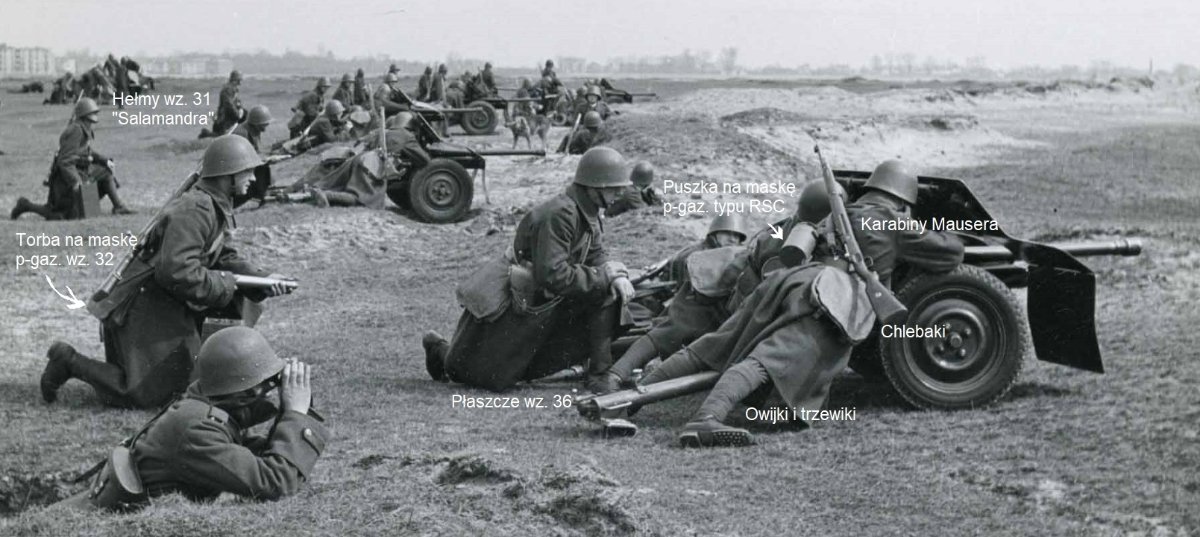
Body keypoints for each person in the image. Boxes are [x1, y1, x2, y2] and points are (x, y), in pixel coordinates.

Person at [639, 161, 966, 447]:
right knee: (770, 358)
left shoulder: (840, 211)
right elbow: (952, 251)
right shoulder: (890, 221)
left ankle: (631, 397)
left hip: (786, 281)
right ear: (903, 200)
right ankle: (706, 420)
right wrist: (917, 226)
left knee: (714, 345)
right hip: (827, 295)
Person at [38, 135, 295, 409]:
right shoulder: (197, 208)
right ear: (227, 174)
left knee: (186, 381)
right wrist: (227, 282)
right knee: (141, 393)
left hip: (164, 298)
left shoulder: (213, 204)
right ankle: (68, 361)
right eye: (248, 171)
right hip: (141, 304)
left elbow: (222, 256)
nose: (253, 178)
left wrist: (262, 279)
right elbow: (176, 271)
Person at [422, 147, 636, 393]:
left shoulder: (586, 211)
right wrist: (603, 276)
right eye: (614, 187)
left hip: (541, 299)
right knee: (482, 376)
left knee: (607, 294)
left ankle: (600, 375)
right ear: (594, 186)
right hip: (518, 300)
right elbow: (552, 275)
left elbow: (595, 252)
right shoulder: (561, 214)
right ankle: (440, 350)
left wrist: (616, 276)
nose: (620, 193)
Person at [57, 327, 328, 509]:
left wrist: (289, 412)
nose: (270, 389)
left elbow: (256, 454)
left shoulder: (206, 402)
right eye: (265, 383)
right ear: (245, 392)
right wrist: (294, 414)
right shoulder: (197, 429)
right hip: (99, 520)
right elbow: (275, 482)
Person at [11, 98, 134, 220]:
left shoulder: (83, 129)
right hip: (65, 179)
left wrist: (104, 160)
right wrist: (76, 181)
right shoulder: (76, 130)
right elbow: (65, 161)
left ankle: (118, 206)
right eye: (91, 117)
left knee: (105, 171)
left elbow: (87, 151)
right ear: (84, 117)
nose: (92, 120)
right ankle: (24, 205)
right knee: (60, 215)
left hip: (81, 171)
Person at [200, 70, 243, 139]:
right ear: (235, 80)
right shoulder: (228, 90)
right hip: (224, 118)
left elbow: (236, 102)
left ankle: (207, 134)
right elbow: (228, 104)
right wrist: (237, 114)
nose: (240, 83)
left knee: (224, 135)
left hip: (228, 117)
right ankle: (206, 134)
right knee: (222, 136)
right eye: (239, 80)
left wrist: (240, 109)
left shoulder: (233, 89)